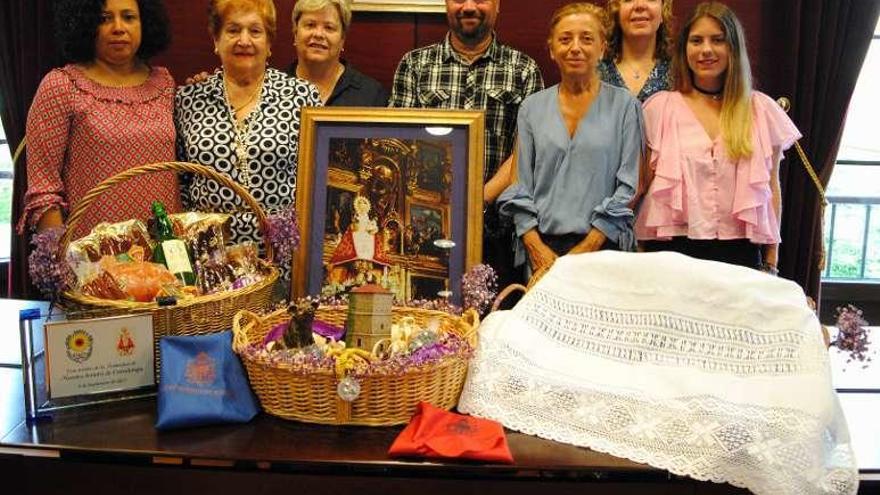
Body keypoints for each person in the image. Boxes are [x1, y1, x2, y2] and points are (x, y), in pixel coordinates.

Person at [635, 1, 801, 274]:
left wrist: (771, 261)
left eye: (718, 40)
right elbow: (642, 185)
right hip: (669, 252)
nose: (706, 50)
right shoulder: (659, 108)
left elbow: (771, 189)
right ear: (684, 49)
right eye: (696, 40)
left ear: (734, 48)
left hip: (740, 253)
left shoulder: (760, 109)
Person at [388, 0, 544, 288]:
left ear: (497, 6)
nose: (469, 7)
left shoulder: (523, 70)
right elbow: (398, 144)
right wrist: (442, 204)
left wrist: (479, 200)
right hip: (426, 226)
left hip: (498, 227)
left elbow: (527, 152)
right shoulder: (414, 65)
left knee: (495, 321)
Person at [499, 2, 643, 276]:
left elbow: (629, 186)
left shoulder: (625, 106)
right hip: (542, 252)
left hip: (604, 250)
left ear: (602, 48)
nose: (575, 47)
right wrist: (535, 247)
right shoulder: (531, 108)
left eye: (586, 39)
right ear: (552, 49)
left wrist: (586, 248)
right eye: (565, 39)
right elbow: (519, 185)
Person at [18, 0, 181, 238]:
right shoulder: (61, 86)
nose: (118, 27)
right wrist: (60, 262)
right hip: (93, 258)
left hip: (164, 249)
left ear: (145, 22)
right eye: (104, 18)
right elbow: (44, 190)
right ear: (84, 24)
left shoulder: (164, 83)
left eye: (128, 17)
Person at [175, 0, 322, 249]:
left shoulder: (302, 96)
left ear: (269, 42)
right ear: (216, 39)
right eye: (233, 30)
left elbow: (316, 178)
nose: (244, 40)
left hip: (280, 248)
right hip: (211, 250)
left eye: (255, 31)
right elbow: (182, 181)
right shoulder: (189, 99)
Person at [289, 0, 387, 106]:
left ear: (342, 38)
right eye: (310, 25)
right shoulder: (272, 86)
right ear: (295, 32)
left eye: (329, 27)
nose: (318, 34)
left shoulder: (371, 94)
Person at [598, 0, 674, 102]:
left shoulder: (680, 74)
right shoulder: (594, 74)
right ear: (616, 11)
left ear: (663, 11)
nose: (640, 5)